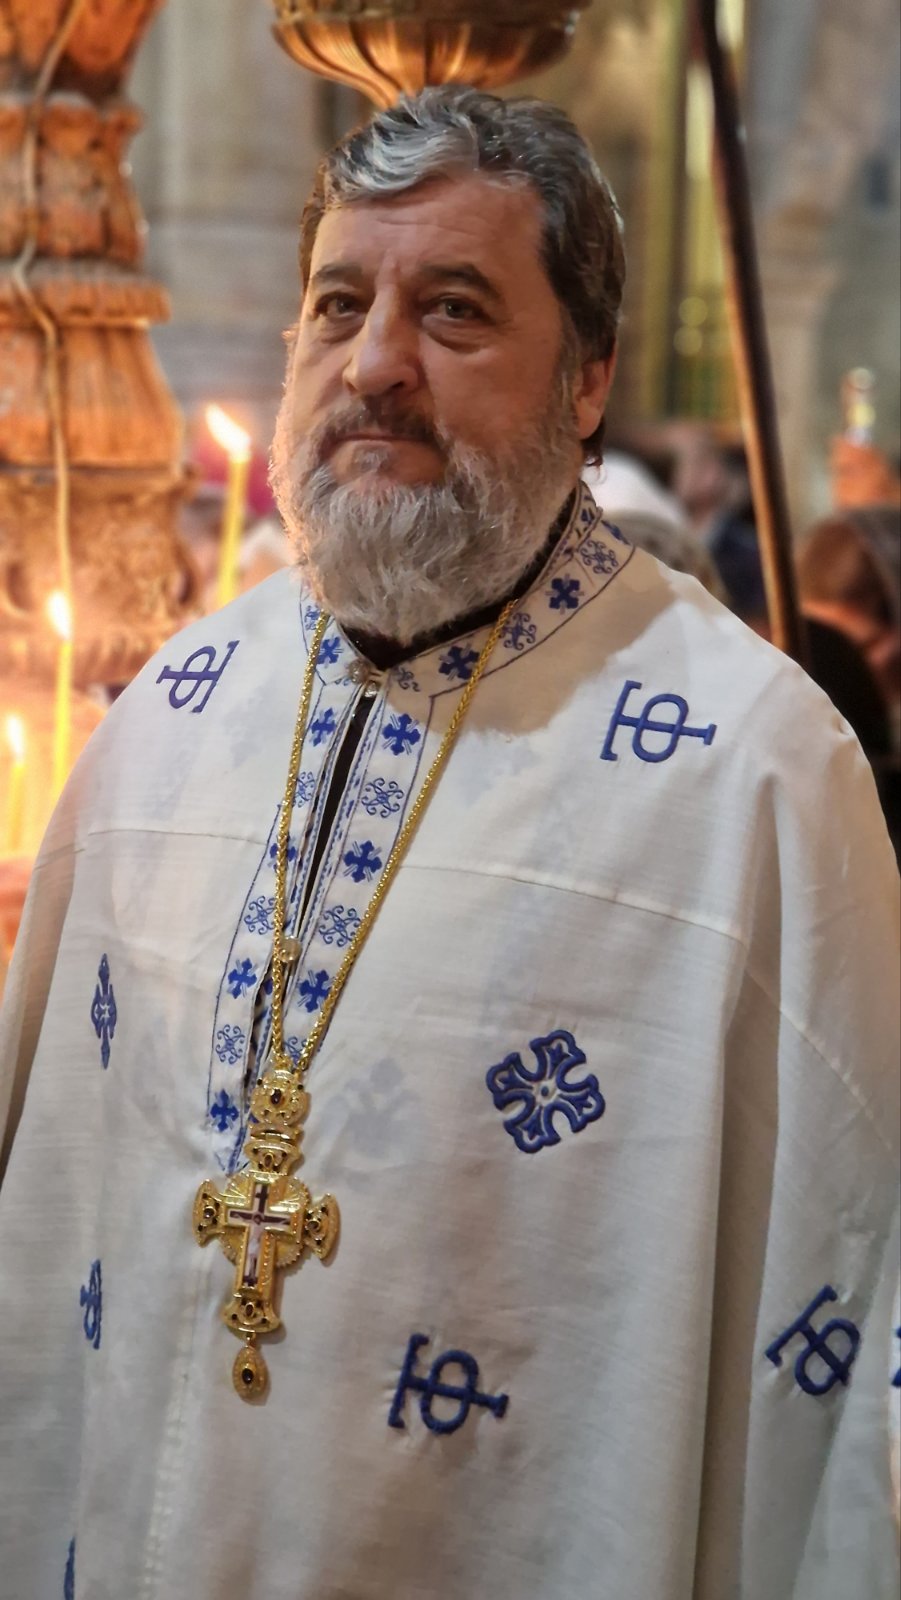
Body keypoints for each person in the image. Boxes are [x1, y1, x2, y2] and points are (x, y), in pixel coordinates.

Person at [0, 87, 898, 1600]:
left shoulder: (751, 770)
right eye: (336, 304)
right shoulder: (172, 714)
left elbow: (846, 1289)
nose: (373, 365)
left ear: (589, 378)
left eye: (455, 310)